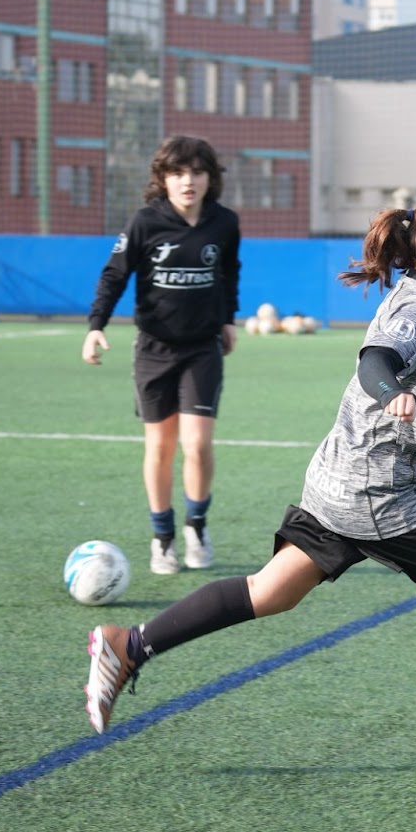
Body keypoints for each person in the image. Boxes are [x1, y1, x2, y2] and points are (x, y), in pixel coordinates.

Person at [84, 190, 416, 769]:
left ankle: (130, 644)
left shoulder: (415, 292)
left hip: (336, 480)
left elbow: (400, 364)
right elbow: (376, 362)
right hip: (381, 495)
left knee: (269, 592)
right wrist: (396, 391)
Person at [82, 135, 241, 575]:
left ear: (210, 178)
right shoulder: (145, 222)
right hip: (153, 348)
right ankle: (163, 538)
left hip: (202, 348)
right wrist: (95, 327)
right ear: (163, 179)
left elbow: (229, 272)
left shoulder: (224, 223)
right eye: (177, 173)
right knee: (160, 446)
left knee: (198, 443)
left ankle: (196, 526)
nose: (187, 181)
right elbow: (114, 275)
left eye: (196, 172)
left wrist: (228, 317)